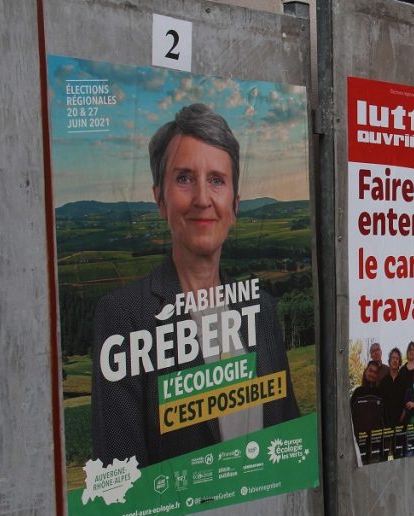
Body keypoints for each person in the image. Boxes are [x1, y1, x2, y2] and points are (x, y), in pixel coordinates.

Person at [91, 103, 297, 468]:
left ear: (234, 206)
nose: (203, 198)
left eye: (216, 180)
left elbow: (288, 444)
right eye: (184, 178)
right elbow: (119, 485)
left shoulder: (262, 310)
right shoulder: (124, 317)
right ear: (160, 199)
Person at [377, 347, 406, 426]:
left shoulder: (403, 381)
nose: (395, 360)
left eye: (397, 358)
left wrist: (403, 416)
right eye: (393, 358)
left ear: (399, 362)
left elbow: (406, 401)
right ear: (389, 361)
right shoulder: (383, 382)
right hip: (386, 424)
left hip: (401, 423)